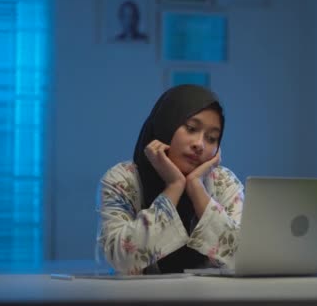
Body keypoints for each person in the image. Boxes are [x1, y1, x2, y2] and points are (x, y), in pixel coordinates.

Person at [96, 85, 244, 275]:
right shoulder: (123, 180)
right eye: (191, 128)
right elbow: (123, 261)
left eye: (212, 138)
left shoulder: (224, 181)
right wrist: (174, 187)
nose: (200, 144)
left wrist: (196, 188)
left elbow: (241, 259)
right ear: (166, 124)